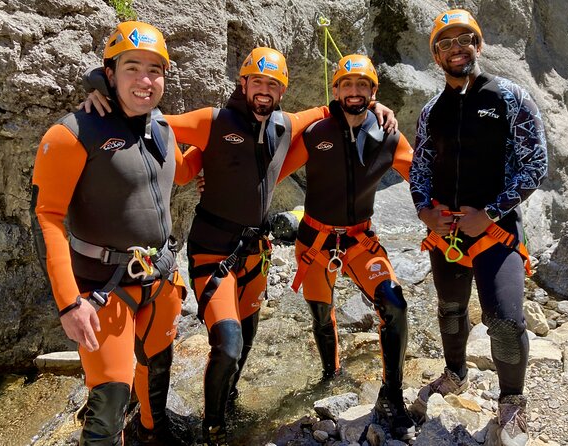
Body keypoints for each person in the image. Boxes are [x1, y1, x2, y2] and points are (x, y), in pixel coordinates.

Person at [85, 46, 397, 445]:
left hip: (256, 253)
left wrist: (376, 104)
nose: (264, 91)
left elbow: (339, 105)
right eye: (258, 82)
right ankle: (212, 429)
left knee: (245, 341)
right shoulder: (213, 121)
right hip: (213, 253)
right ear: (243, 83)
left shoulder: (286, 124)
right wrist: (100, 84)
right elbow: (147, 113)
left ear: (282, 90)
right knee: (227, 345)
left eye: (273, 84)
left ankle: (226, 403)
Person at [31, 21, 191, 445]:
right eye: (132, 67)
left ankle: (154, 435)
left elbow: (180, 170)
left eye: (155, 69)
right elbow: (46, 217)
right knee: (110, 399)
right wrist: (69, 304)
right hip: (103, 288)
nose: (145, 79)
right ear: (109, 72)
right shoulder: (72, 134)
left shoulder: (162, 128)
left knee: (156, 372)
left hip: (160, 280)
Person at [409, 9, 548, 446]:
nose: (457, 48)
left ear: (479, 45)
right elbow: (420, 169)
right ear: (436, 55)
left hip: (496, 231)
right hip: (445, 232)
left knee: (505, 321)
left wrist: (487, 214)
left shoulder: (510, 97)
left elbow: (535, 165)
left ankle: (511, 404)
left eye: (465, 39)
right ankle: (455, 375)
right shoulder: (433, 110)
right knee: (450, 311)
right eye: (446, 43)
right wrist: (425, 212)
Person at [278, 54, 415, 440]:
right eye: (346, 85)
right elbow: (272, 174)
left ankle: (393, 396)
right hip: (315, 242)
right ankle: (331, 376)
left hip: (359, 241)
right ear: (335, 90)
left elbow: (422, 179)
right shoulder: (316, 132)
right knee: (322, 317)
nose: (354, 92)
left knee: (396, 307)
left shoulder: (389, 135)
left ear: (373, 92)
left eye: (362, 86)